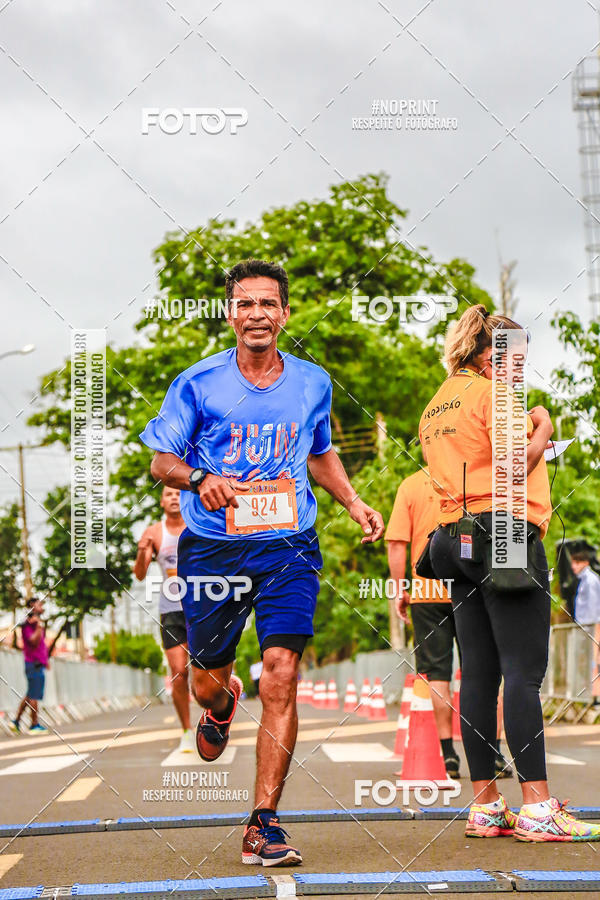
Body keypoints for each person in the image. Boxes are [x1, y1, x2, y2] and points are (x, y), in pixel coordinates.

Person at [140, 258, 384, 866]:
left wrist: (353, 502)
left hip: (288, 544)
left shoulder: (312, 382)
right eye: (245, 304)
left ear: (285, 314)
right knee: (204, 684)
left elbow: (319, 452)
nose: (257, 314)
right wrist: (200, 479)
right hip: (214, 548)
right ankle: (222, 705)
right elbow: (161, 462)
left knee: (281, 670)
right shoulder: (197, 383)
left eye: (268, 303)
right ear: (230, 315)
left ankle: (263, 823)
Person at [420, 304, 600, 842]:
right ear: (490, 355)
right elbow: (516, 464)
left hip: (454, 538)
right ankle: (539, 807)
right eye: (515, 357)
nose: (519, 368)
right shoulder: (494, 395)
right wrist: (543, 425)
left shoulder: (438, 402)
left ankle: (486, 805)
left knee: (478, 674)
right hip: (505, 534)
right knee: (523, 672)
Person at [387, 467, 513, 779]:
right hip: (472, 585)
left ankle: (448, 756)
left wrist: (399, 589)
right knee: (484, 670)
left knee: (437, 674)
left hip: (427, 591)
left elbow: (397, 542)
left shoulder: (410, 485)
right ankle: (494, 752)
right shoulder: (474, 476)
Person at [134, 486, 193, 752]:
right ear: (161, 501)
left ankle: (213, 721)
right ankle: (187, 730)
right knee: (179, 672)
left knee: (207, 672)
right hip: (171, 610)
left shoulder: (196, 523)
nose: (174, 498)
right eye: (168, 494)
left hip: (200, 607)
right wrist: (142, 550)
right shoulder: (155, 532)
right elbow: (139, 574)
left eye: (178, 494)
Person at [11, 597, 49, 734]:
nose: (42, 606)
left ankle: (16, 721)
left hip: (38, 663)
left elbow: (41, 645)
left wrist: (46, 661)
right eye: (39, 604)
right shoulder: (28, 624)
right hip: (33, 663)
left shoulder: (35, 623)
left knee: (30, 694)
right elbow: (33, 641)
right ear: (32, 606)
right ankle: (34, 725)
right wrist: (38, 627)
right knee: (34, 695)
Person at [570, 551, 600, 702]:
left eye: (576, 563)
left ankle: (595, 697)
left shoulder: (590, 580)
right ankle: (590, 695)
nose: (573, 566)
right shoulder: (584, 580)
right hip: (586, 628)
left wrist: (591, 630)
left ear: (585, 563)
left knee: (593, 661)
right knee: (588, 661)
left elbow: (594, 608)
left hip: (592, 628)